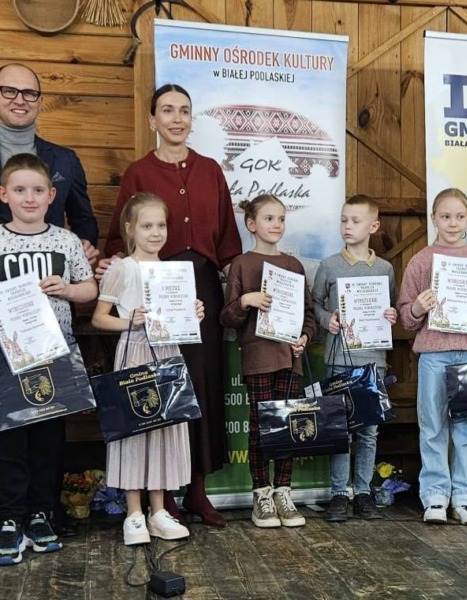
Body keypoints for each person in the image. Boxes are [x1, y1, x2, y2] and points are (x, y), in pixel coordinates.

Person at [101, 84, 242, 527]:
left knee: (200, 386)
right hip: (153, 286)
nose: (177, 118)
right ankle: (164, 498)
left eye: (184, 110)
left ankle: (197, 491)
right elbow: (119, 236)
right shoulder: (138, 172)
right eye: (167, 111)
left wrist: (240, 289)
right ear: (153, 120)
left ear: (191, 119)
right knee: (163, 384)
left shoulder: (210, 170)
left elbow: (228, 239)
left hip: (201, 290)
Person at [0, 154, 97, 565]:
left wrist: (68, 290)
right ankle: (9, 517)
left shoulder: (65, 240)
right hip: (9, 356)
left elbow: (90, 288)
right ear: (3, 194)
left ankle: (42, 513)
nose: (29, 198)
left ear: (52, 195)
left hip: (56, 352)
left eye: (38, 190)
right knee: (9, 439)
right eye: (20, 190)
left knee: (49, 439)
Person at [92, 193, 204, 545]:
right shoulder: (122, 268)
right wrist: (130, 321)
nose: (155, 233)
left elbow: (179, 322)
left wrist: (193, 314)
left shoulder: (172, 272)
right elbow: (99, 318)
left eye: (161, 225)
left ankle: (158, 511)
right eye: (147, 226)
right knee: (135, 428)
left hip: (167, 354)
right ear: (130, 229)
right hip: (135, 354)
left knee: (163, 429)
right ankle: (134, 513)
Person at [397, 188, 467, 525]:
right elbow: (406, 317)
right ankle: (435, 496)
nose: (452, 223)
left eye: (459, 216)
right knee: (432, 425)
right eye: (445, 216)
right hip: (433, 355)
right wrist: (417, 307)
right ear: (434, 219)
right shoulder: (421, 261)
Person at [220, 194, 317, 528]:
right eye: (269, 218)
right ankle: (261, 493)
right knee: (261, 425)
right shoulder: (242, 264)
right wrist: (245, 301)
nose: (276, 225)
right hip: (258, 356)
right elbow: (226, 317)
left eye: (281, 219)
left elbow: (308, 315)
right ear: (251, 224)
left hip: (290, 358)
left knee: (288, 424)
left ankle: (284, 492)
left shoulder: (294, 265)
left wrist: (305, 338)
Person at [311, 194, 397, 522]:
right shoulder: (329, 265)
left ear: (373, 226)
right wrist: (326, 320)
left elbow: (389, 307)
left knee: (368, 431)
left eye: (355, 221)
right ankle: (339, 493)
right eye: (344, 220)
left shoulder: (385, 269)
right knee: (340, 429)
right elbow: (315, 303)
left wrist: (390, 315)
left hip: (373, 361)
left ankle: (362, 492)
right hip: (338, 359)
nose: (348, 226)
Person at [0, 63, 99, 263]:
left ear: (40, 101)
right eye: (9, 91)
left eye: (29, 93)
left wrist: (84, 246)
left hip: (51, 275)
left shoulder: (66, 160)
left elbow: (83, 221)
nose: (20, 100)